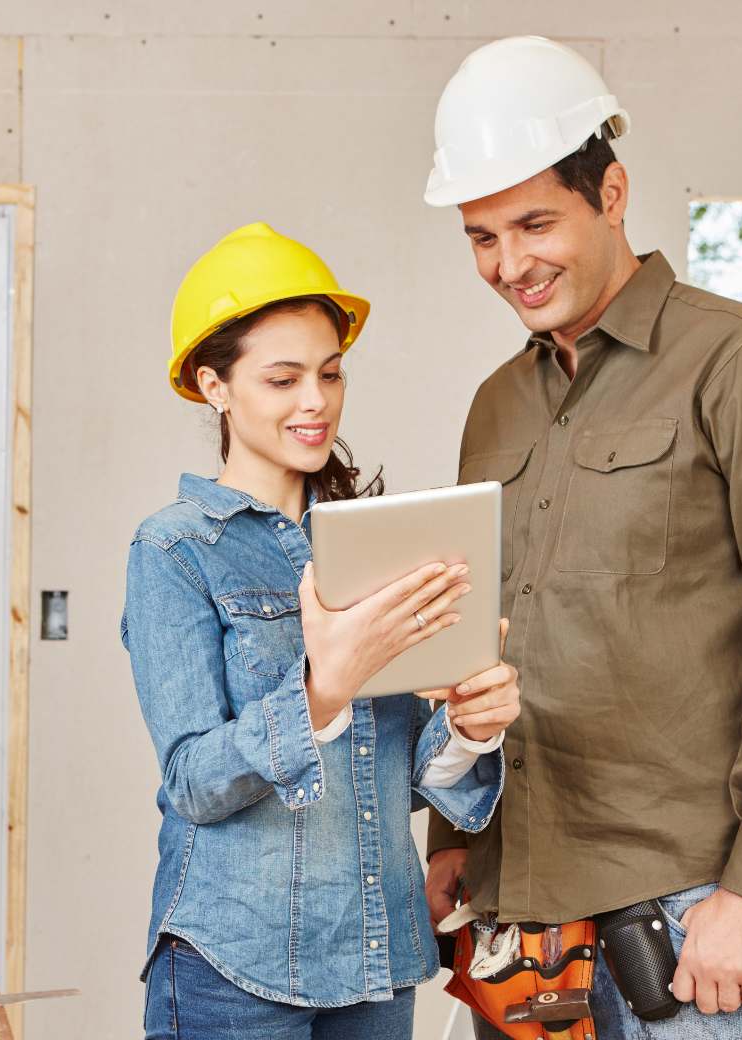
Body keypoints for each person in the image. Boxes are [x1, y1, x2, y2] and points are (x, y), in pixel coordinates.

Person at [416, 37, 742, 1038]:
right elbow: (482, 637)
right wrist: (458, 835)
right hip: (527, 921)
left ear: (613, 191)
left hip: (694, 914)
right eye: (481, 236)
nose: (510, 264)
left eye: (534, 223)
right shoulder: (496, 406)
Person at [124, 223, 523, 1040]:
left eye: (329, 373)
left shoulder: (374, 544)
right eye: (282, 378)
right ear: (215, 386)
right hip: (235, 959)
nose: (315, 401)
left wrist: (467, 728)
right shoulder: (173, 549)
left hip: (375, 958)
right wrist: (321, 689)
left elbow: (394, 773)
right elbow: (195, 781)